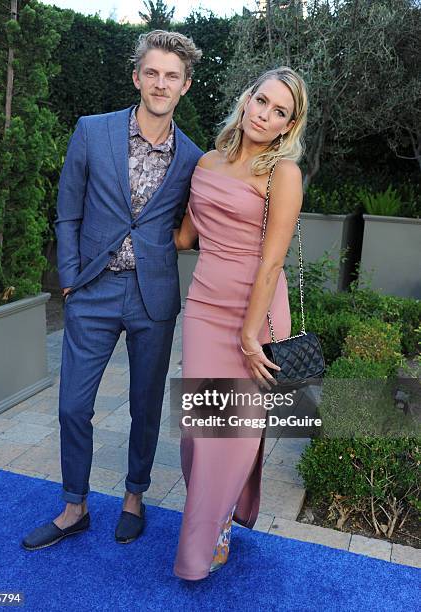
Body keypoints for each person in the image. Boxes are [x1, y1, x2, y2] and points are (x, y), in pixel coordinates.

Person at [21, 30, 203, 551]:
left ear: (185, 86)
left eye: (171, 76)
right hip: (93, 290)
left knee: (145, 406)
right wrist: (71, 281)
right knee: (73, 406)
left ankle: (134, 497)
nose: (160, 83)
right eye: (152, 72)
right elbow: (68, 209)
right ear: (136, 77)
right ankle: (74, 506)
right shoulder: (92, 131)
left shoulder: (193, 158)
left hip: (154, 298)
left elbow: (191, 225)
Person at [172, 66, 308, 580]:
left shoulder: (283, 174)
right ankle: (220, 510)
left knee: (235, 432)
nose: (266, 115)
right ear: (246, 99)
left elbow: (271, 263)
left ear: (287, 126)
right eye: (263, 101)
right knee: (200, 431)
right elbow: (185, 237)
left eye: (280, 112)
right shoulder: (206, 162)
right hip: (206, 307)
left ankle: (204, 542)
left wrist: (252, 336)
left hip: (258, 311)